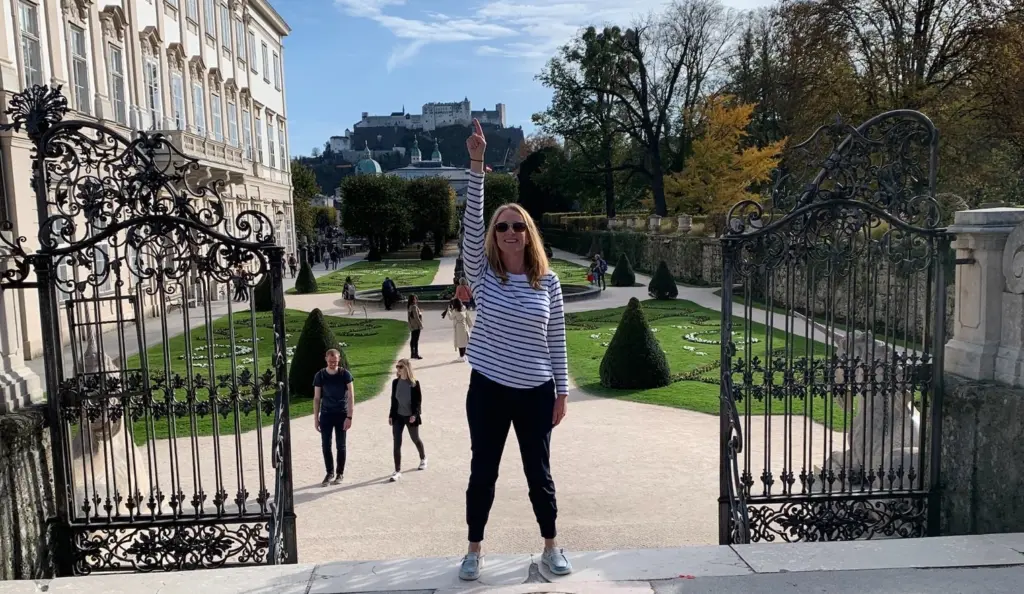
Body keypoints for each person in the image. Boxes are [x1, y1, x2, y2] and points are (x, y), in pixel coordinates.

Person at [457, 119, 572, 581]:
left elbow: (556, 339)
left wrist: (561, 393)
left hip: (536, 391)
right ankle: (473, 549)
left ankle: (551, 545)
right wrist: (477, 164)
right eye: (502, 225)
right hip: (487, 388)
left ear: (528, 233)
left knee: (538, 474)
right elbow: (469, 225)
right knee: (483, 472)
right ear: (494, 233)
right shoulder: (483, 275)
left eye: (517, 225)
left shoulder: (549, 282)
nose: (509, 231)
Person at [313, 349, 354, 487]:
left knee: (340, 445)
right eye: (330, 361)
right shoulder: (320, 376)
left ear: (339, 359)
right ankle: (329, 472)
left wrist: (349, 416)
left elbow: (351, 396)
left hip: (341, 414)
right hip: (326, 414)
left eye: (335, 361)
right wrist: (316, 418)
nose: (333, 363)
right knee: (326, 445)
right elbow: (317, 398)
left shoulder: (345, 374)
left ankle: (340, 473)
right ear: (326, 359)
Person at [388, 358, 427, 482]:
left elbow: (418, 402)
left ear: (406, 368)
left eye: (400, 367)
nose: (398, 369)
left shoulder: (414, 384)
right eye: (397, 367)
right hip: (398, 416)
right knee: (396, 443)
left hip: (410, 416)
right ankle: (397, 470)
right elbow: (393, 401)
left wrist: (414, 415)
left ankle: (423, 458)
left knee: (415, 439)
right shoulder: (395, 382)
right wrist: (390, 415)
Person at [407, 294, 423, 360]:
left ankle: (412, 353)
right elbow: (416, 317)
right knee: (416, 340)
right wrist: (421, 325)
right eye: (415, 299)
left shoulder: (409, 306)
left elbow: (410, 317)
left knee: (412, 339)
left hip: (412, 325)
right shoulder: (414, 307)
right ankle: (416, 354)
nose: (416, 300)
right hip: (416, 325)